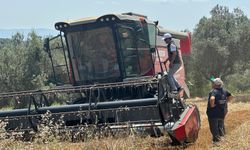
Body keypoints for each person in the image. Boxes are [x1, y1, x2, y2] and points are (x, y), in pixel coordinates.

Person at [206, 77, 233, 144]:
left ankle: (216, 143)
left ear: (215, 84)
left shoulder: (213, 91)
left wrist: (212, 105)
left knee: (214, 129)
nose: (212, 84)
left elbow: (212, 99)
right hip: (221, 113)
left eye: (213, 83)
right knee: (221, 128)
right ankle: (223, 142)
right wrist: (225, 101)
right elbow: (231, 96)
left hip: (213, 114)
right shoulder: (224, 91)